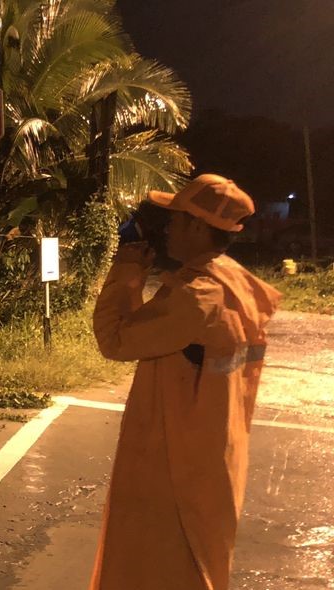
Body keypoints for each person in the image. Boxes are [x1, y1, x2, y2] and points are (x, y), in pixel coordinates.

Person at [91, 174, 281, 589]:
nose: (168, 228)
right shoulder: (236, 286)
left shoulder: (196, 297)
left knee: (157, 572)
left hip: (175, 467)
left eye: (175, 219)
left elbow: (115, 339)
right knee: (200, 568)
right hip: (215, 460)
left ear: (197, 226)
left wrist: (126, 269)